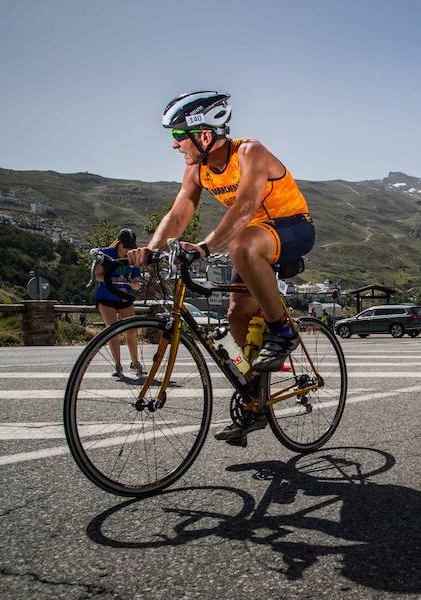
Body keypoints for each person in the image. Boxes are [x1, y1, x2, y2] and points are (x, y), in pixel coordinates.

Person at [128, 90, 315, 443]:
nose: (173, 145)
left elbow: (245, 206)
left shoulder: (249, 152)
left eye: (177, 137)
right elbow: (179, 212)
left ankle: (284, 331)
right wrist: (151, 250)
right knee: (235, 315)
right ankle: (254, 403)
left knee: (240, 241)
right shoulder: (197, 171)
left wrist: (202, 247)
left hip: (293, 228)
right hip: (252, 240)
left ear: (202, 134)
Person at [94, 228, 144, 376]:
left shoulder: (133, 256)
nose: (128, 250)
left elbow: (137, 277)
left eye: (131, 247)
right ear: (118, 243)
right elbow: (97, 275)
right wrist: (116, 280)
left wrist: (135, 283)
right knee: (113, 331)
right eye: (126, 246)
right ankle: (117, 364)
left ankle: (134, 362)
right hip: (106, 297)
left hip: (125, 297)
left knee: (132, 330)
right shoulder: (106, 254)